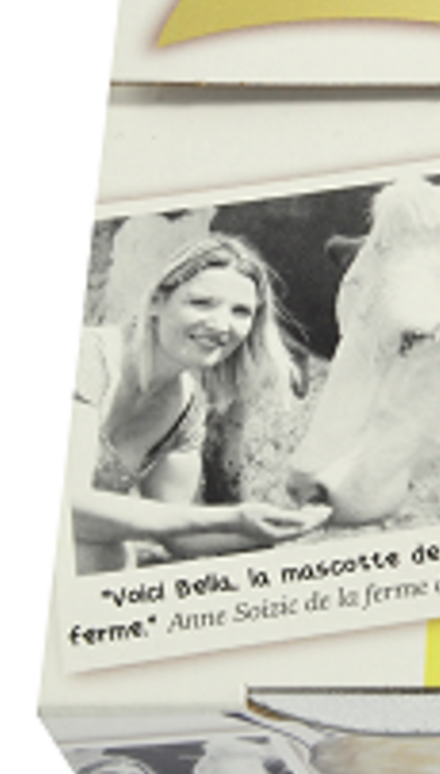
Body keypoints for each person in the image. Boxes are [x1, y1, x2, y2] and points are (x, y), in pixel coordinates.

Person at [69, 233, 329, 573]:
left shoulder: (186, 407)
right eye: (202, 303)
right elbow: (69, 509)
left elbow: (184, 537)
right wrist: (231, 517)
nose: (221, 325)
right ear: (157, 301)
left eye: (241, 312)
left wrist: (285, 526)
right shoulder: (85, 359)